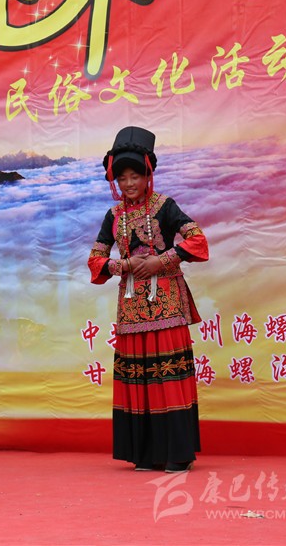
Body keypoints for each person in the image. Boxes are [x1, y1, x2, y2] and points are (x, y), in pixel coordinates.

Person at [87, 126, 209, 473]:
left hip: (167, 302)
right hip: (131, 307)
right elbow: (95, 260)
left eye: (135, 176)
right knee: (138, 377)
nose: (129, 183)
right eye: (122, 177)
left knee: (168, 377)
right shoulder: (114, 216)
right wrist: (123, 265)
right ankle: (145, 453)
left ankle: (178, 453)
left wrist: (162, 260)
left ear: (147, 175)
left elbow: (198, 241)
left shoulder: (165, 206)